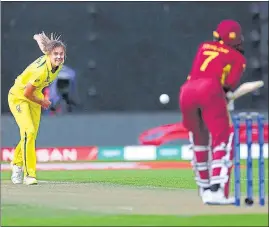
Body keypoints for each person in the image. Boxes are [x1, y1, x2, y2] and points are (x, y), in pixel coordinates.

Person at [179, 20, 246, 204]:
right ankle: (216, 190)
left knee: (199, 139)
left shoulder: (204, 47)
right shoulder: (238, 58)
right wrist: (226, 94)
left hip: (187, 90)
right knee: (222, 138)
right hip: (210, 90)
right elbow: (229, 84)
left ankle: (204, 188)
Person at [8, 32, 66, 185]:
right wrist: (43, 102)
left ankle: (16, 163)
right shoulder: (40, 71)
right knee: (29, 132)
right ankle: (29, 174)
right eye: (56, 54)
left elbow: (47, 48)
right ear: (49, 55)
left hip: (35, 96)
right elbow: (27, 92)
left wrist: (40, 38)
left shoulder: (57, 65)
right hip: (19, 96)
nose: (59, 57)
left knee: (30, 135)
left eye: (61, 54)